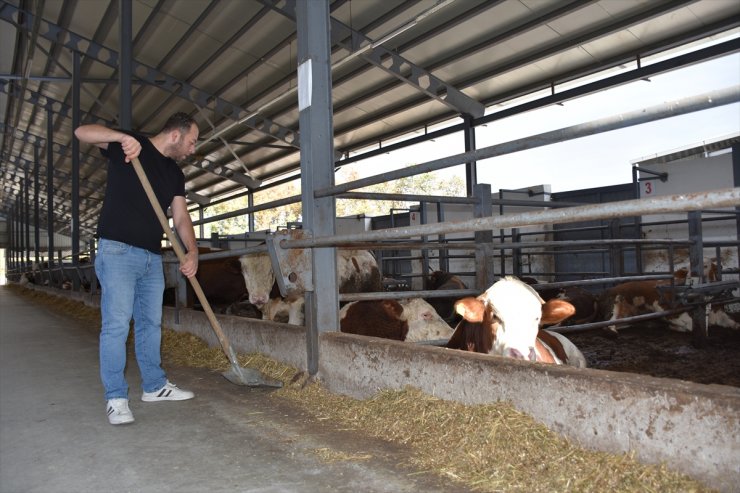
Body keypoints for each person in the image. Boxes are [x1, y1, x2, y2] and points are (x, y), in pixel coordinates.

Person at [75, 112, 200, 425]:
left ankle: (154, 387)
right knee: (117, 325)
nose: (192, 149)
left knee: (150, 323)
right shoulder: (132, 146)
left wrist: (192, 251)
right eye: (192, 141)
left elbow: (181, 218)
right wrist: (120, 137)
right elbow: (81, 132)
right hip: (116, 250)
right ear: (176, 135)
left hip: (150, 257)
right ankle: (116, 398)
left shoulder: (174, 173)